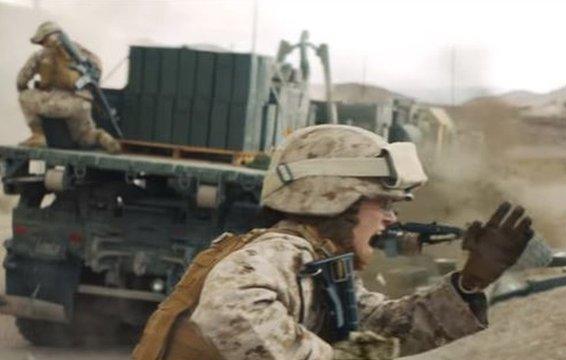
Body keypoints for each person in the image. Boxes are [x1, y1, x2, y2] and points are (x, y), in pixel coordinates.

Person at [133, 124, 533, 359]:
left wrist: (470, 283)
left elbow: (381, 329)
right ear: (335, 196)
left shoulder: (322, 265)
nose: (392, 218)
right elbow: (228, 313)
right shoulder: (278, 252)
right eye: (382, 203)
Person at [16, 21, 121, 153]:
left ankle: (38, 136)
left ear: (44, 38)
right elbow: (97, 70)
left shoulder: (40, 55)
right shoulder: (80, 51)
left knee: (24, 96)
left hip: (55, 102)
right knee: (85, 137)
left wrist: (29, 89)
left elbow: (21, 81)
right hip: (82, 103)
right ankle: (101, 137)